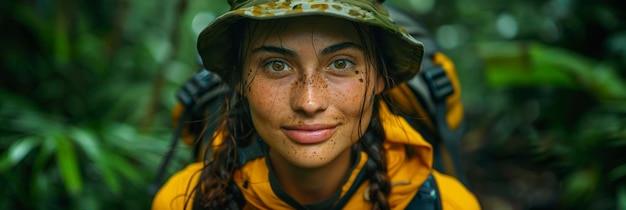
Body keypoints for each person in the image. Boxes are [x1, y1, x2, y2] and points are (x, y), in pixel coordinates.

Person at [152, 0, 481, 209]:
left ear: (381, 77)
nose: (309, 102)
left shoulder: (449, 204)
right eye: (276, 65)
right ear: (239, 79)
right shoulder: (182, 200)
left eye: (340, 64)